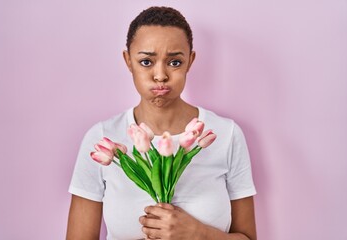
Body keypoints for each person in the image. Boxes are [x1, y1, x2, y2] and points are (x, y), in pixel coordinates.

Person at [66, 6, 257, 240]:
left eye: (174, 62)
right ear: (128, 61)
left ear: (190, 61)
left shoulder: (226, 134)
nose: (160, 75)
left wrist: (197, 232)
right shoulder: (103, 138)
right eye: (146, 61)